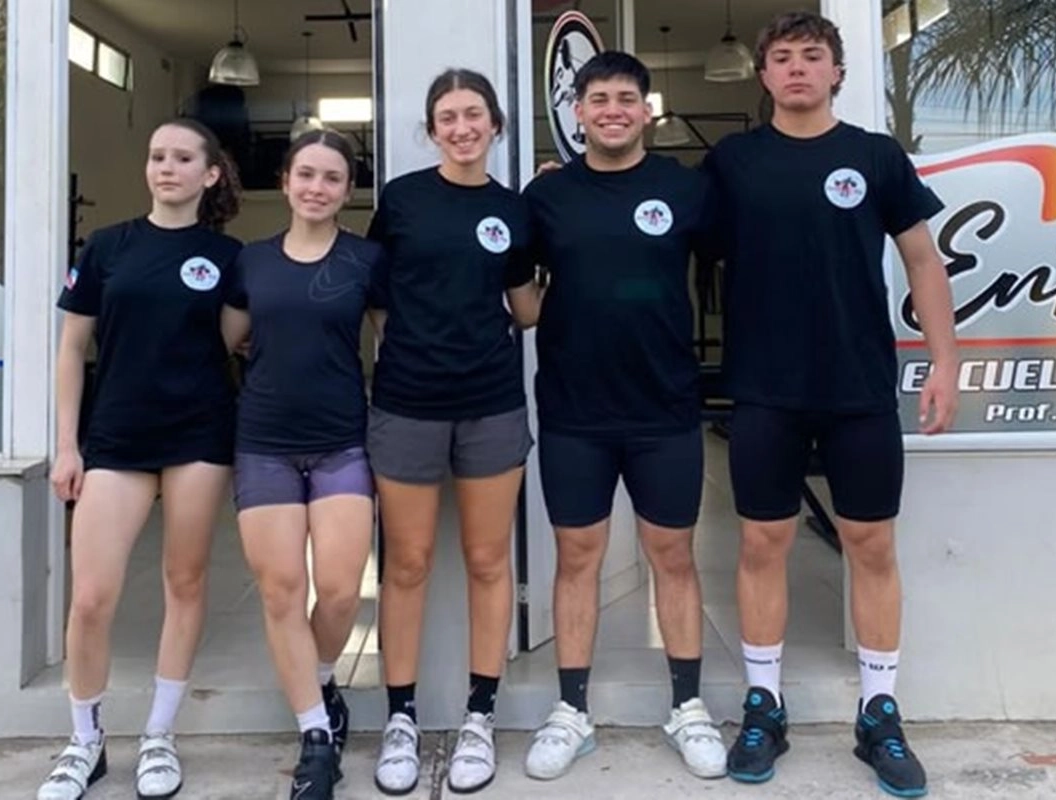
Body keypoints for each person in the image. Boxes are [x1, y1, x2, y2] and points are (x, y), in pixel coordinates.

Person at [702, 12, 958, 798]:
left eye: (812, 56)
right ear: (764, 75)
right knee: (762, 543)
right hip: (766, 387)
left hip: (859, 388)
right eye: (781, 58)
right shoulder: (734, 161)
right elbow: (663, 231)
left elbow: (923, 261)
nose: (797, 69)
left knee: (870, 544)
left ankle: (879, 713)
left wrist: (945, 363)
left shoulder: (875, 157)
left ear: (837, 71)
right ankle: (763, 707)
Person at [520, 51, 727, 782]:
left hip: (663, 407)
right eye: (599, 99)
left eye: (626, 99)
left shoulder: (686, 189)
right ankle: (571, 712)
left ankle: (688, 707)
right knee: (577, 557)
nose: (613, 110)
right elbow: (514, 287)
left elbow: (740, 265)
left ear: (647, 111)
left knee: (673, 555)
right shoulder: (547, 196)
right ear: (577, 112)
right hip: (574, 410)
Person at [39, 117, 244, 800]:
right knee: (91, 596)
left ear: (209, 174)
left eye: (183, 158)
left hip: (198, 436)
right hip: (117, 438)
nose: (167, 168)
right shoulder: (107, 246)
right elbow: (72, 349)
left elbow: (231, 341)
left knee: (184, 582)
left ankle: (159, 734)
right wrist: (66, 445)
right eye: (158, 156)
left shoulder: (228, 257)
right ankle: (85, 741)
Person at [365, 68, 539, 795]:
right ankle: (400, 719)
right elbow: (376, 301)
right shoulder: (402, 200)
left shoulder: (514, 209)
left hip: (491, 403)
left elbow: (525, 309)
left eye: (474, 115)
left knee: (488, 560)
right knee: (406, 563)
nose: (462, 128)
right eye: (448, 117)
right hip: (407, 404)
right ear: (432, 129)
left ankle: (479, 716)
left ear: (495, 124)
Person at [220, 130, 382, 800]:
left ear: (348, 190)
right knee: (283, 590)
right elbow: (226, 340)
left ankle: (316, 680)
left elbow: (392, 342)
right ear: (286, 182)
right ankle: (316, 734)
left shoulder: (366, 260)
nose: (317, 187)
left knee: (340, 592)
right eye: (306, 174)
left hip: (342, 440)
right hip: (264, 444)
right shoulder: (251, 261)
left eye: (332, 178)